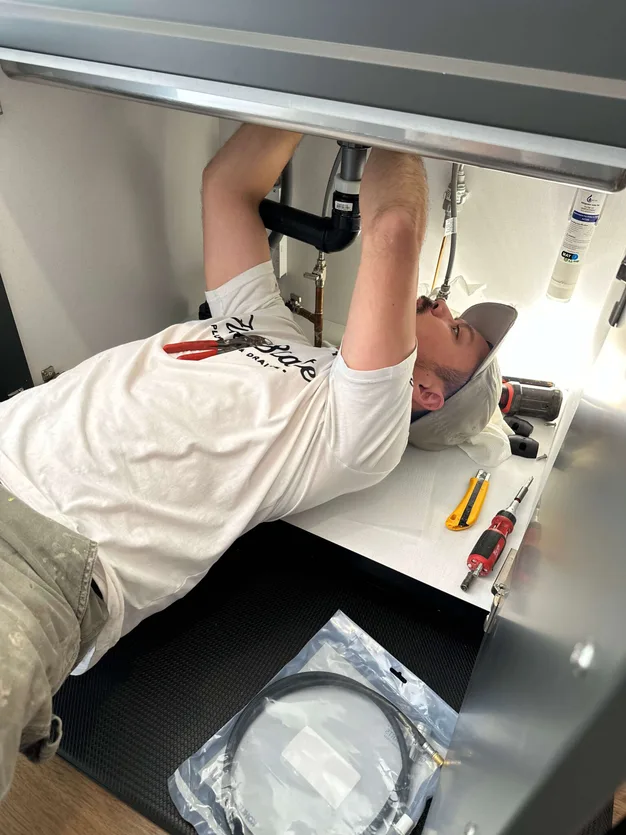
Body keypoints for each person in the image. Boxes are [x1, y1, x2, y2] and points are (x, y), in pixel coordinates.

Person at [0, 124, 513, 799]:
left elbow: (392, 231)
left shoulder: (361, 431)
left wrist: (395, 98)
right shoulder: (273, 332)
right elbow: (227, 188)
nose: (441, 303)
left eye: (456, 329)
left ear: (420, 389)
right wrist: (317, 79)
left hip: (41, 558)